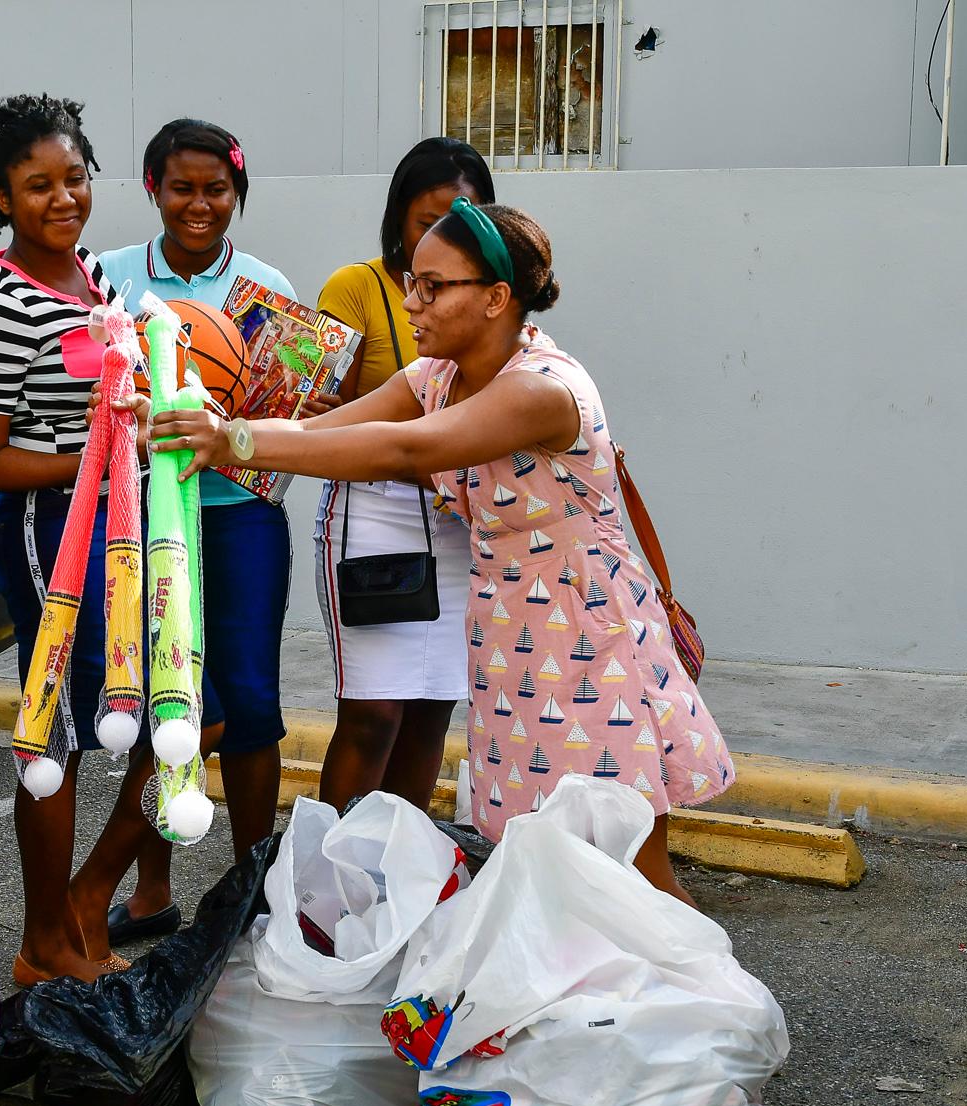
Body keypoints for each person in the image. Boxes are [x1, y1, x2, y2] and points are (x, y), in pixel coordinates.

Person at [146, 201, 734, 907]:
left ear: (495, 298)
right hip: (510, 633)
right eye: (409, 280)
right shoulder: (437, 376)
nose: (410, 302)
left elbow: (407, 447)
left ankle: (700, 1002)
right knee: (534, 860)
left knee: (631, 864)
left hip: (589, 634)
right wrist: (198, 420)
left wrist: (235, 439)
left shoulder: (542, 390)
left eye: (432, 286)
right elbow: (335, 431)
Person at [0, 93, 202, 985]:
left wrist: (137, 425)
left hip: (124, 525)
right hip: (49, 529)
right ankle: (42, 941)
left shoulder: (95, 277)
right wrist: (92, 465)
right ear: (1, 198)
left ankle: (89, 897)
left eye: (74, 178)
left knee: (169, 712)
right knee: (53, 727)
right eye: (36, 186)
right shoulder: (0, 302)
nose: (62, 198)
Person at [93, 119, 300, 945]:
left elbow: (285, 413)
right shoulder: (107, 278)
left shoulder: (263, 287)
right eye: (182, 186)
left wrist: (284, 408)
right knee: (168, 703)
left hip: (241, 515)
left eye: (217, 189)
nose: (200, 203)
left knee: (249, 705)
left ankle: (253, 887)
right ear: (153, 188)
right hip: (139, 521)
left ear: (236, 193)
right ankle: (152, 889)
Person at [310, 138, 497, 813]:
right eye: (429, 220)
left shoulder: (487, 300)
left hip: (460, 518)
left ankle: (403, 883)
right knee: (375, 712)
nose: (449, 234)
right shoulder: (355, 287)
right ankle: (330, 884)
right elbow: (323, 409)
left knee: (430, 715)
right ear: (399, 220)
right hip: (376, 515)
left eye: (468, 217)